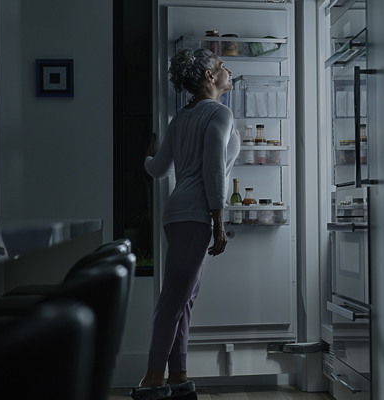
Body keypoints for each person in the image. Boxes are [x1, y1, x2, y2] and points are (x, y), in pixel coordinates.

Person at [130, 48, 239, 400]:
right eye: (222, 67)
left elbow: (158, 170)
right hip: (196, 215)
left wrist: (147, 153)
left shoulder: (180, 119)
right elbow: (212, 169)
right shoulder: (220, 114)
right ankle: (152, 378)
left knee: (185, 298)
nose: (227, 70)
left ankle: (177, 375)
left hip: (177, 213)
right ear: (210, 76)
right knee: (173, 299)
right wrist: (219, 221)